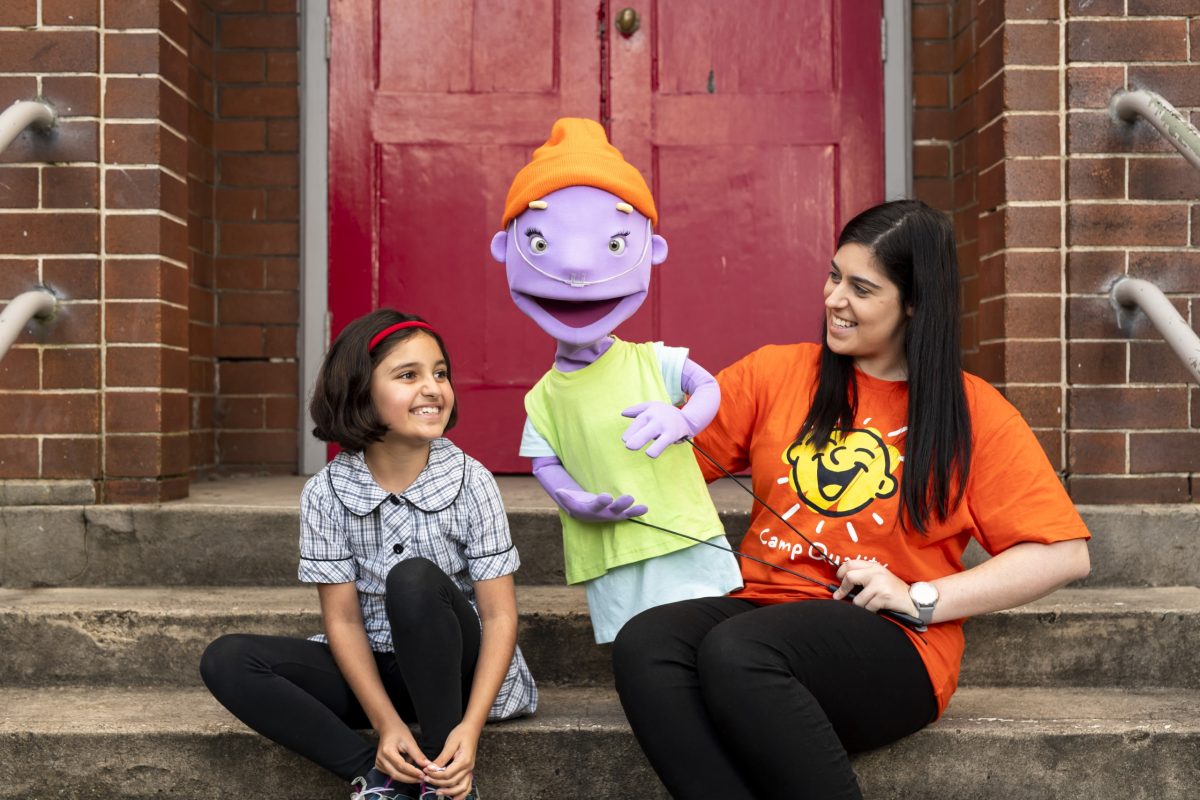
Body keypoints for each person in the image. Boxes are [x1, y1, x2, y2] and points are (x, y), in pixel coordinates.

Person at [611, 199, 1091, 799]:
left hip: (894, 643)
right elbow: (665, 460)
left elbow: (1064, 553)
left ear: (914, 303)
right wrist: (596, 384)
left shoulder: (972, 413)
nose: (835, 299)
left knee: (738, 653)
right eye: (835, 275)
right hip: (765, 609)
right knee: (647, 644)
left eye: (862, 288)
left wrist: (921, 597)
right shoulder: (775, 374)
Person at [200, 309, 536, 800]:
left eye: (440, 373)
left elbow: (500, 615)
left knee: (413, 579)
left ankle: (444, 777)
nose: (433, 388)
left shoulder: (471, 480)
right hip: (375, 674)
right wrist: (386, 724)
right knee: (228, 659)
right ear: (360, 390)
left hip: (454, 671)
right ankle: (381, 781)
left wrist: (469, 730)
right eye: (408, 375)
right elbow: (344, 622)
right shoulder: (327, 492)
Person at [489, 117, 740, 644]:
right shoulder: (543, 398)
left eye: (615, 245)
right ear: (504, 248)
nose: (578, 270)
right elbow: (544, 461)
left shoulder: (655, 360)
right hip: (612, 546)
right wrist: (572, 500)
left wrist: (683, 416)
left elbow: (709, 387)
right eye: (538, 242)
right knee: (641, 645)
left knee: (708, 636)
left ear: (652, 251)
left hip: (684, 533)